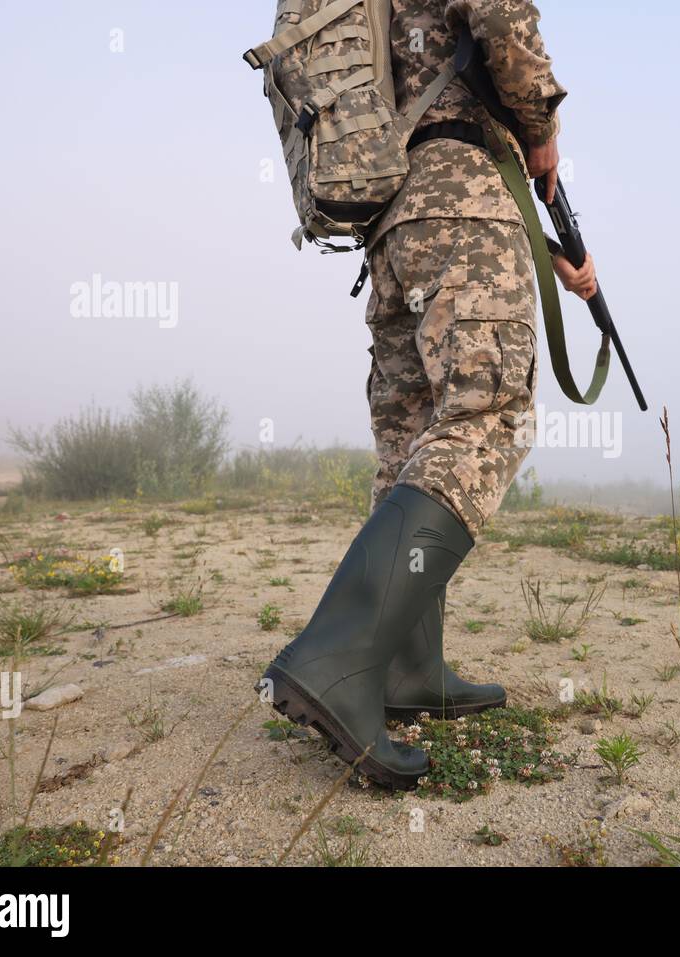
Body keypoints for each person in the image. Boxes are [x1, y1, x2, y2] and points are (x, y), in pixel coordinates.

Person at [261, 0, 596, 789]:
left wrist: (551, 255)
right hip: (462, 194)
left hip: (394, 216)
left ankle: (408, 664)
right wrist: (541, 129)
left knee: (413, 441)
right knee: (487, 417)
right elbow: (501, 19)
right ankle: (337, 656)